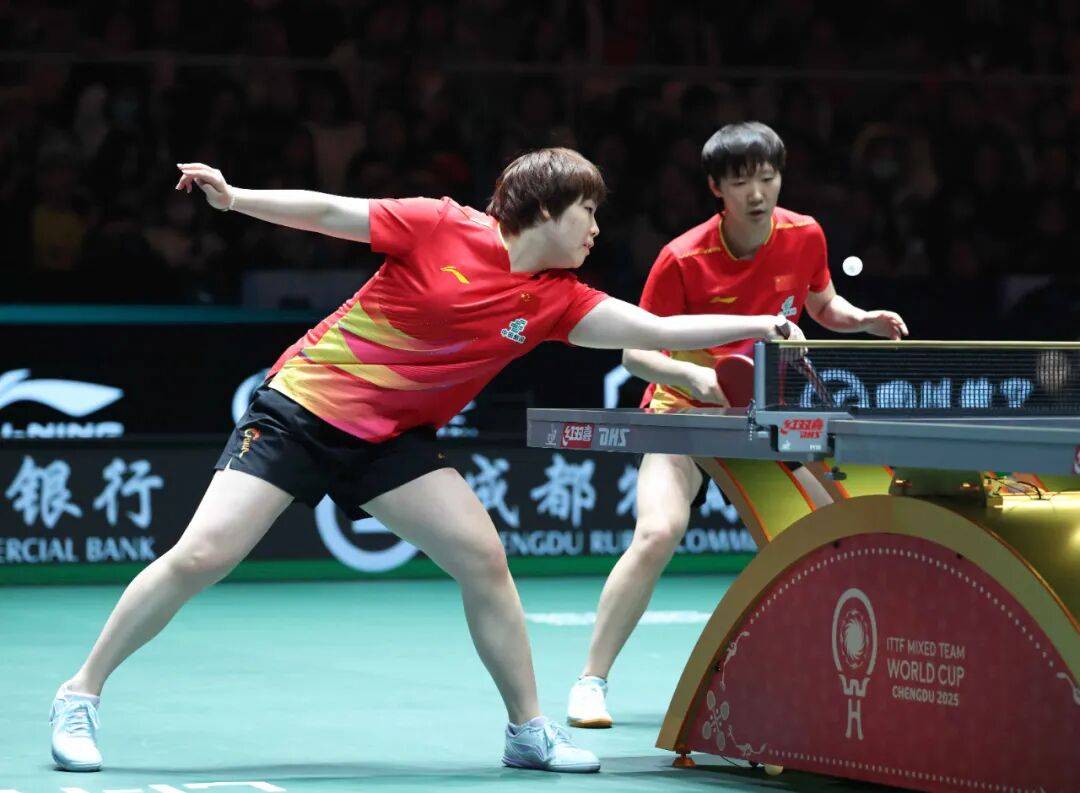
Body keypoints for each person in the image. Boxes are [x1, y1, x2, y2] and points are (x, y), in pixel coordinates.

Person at [48, 147, 804, 775]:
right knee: (202, 554)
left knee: (482, 556)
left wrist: (759, 323)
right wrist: (236, 198)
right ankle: (80, 693)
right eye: (588, 212)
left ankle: (527, 731)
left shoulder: (559, 299)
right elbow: (330, 212)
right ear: (547, 209)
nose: (597, 229)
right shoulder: (442, 224)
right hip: (303, 410)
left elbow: (655, 328)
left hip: (391, 438)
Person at [566, 123, 908, 728]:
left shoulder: (805, 235)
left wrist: (861, 319)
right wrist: (696, 380)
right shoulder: (682, 258)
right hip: (682, 414)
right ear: (716, 189)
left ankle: (839, 675)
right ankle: (590, 683)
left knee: (827, 529)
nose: (757, 193)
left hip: (765, 416)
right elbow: (635, 354)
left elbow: (822, 303)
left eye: (767, 178)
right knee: (657, 532)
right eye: (741, 181)